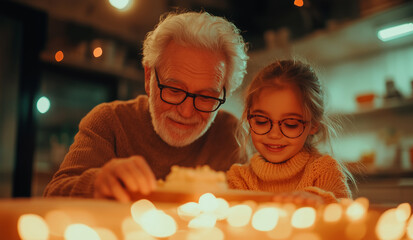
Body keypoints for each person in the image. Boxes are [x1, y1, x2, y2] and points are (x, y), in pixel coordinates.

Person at [44, 10, 249, 202]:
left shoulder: (228, 134)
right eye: (174, 90)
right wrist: (96, 183)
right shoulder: (110, 122)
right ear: (148, 77)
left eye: (205, 97)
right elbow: (53, 196)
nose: (186, 112)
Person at [227, 59, 354, 205]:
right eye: (261, 121)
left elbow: (345, 216)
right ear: (248, 118)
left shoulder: (324, 171)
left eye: (290, 124)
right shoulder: (239, 179)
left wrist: (322, 202)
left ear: (313, 125)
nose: (274, 134)